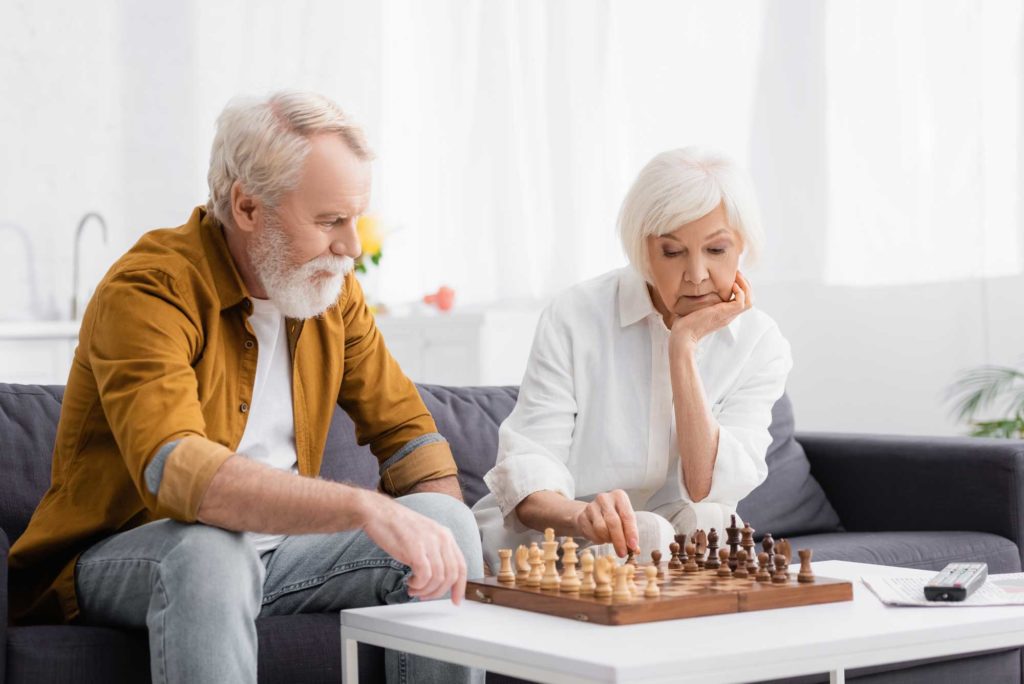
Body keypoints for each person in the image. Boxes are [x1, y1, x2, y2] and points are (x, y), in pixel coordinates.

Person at [9, 91, 483, 684]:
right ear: (247, 206)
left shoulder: (331, 296)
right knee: (213, 552)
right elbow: (179, 472)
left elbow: (408, 435)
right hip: (124, 555)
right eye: (329, 221)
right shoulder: (151, 288)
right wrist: (362, 506)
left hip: (280, 554)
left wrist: (427, 524)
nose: (352, 248)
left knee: (447, 525)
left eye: (354, 219)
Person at [473, 147, 792, 571]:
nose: (696, 275)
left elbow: (702, 487)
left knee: (712, 519)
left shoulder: (760, 343)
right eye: (673, 252)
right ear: (643, 250)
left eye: (716, 250)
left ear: (742, 248)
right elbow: (531, 474)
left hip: (663, 543)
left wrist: (683, 347)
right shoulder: (576, 314)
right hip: (561, 542)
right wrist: (585, 517)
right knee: (648, 533)